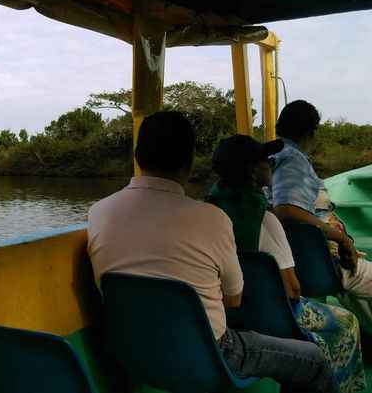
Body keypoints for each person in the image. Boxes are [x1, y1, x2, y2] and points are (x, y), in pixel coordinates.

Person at [88, 111, 336, 393]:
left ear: (137, 155)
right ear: (189, 162)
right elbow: (233, 299)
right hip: (213, 355)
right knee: (314, 360)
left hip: (132, 352)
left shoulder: (98, 213)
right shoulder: (212, 219)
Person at [208, 134, 365, 393]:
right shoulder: (265, 220)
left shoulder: (209, 212)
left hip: (224, 316)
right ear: (252, 170)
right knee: (347, 323)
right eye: (266, 160)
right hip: (269, 318)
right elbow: (292, 290)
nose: (271, 164)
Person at [270, 100, 372, 334]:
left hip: (306, 260)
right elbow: (286, 210)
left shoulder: (270, 158)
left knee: (357, 294)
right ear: (311, 131)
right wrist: (342, 239)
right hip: (322, 262)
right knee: (357, 279)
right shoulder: (293, 159)